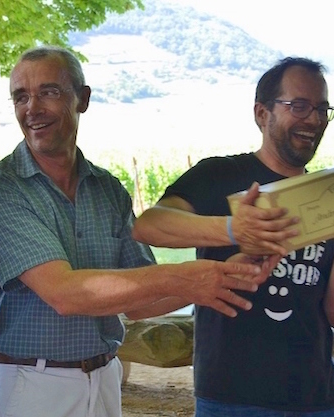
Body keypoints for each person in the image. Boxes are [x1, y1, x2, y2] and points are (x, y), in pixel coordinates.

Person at [0, 45, 278, 417]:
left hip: (104, 379)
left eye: (48, 92)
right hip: (29, 384)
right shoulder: (0, 190)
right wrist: (183, 276)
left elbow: (142, 304)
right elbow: (65, 294)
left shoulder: (107, 189)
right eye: (21, 97)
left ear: (82, 99)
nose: (32, 108)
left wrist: (227, 273)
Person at [133, 57, 334, 415]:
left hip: (315, 395)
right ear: (262, 113)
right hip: (230, 396)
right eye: (299, 106)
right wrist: (232, 229)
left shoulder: (325, 197)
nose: (314, 119)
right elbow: (150, 225)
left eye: (322, 109)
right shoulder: (219, 174)